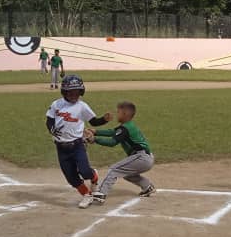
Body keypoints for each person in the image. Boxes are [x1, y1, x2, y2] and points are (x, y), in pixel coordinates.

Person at [46, 74, 109, 208]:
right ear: (64, 92)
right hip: (61, 147)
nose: (74, 95)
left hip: (77, 145)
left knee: (85, 172)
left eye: (77, 92)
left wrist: (104, 119)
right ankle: (87, 195)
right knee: (72, 178)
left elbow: (94, 121)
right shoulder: (57, 104)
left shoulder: (82, 106)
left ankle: (94, 176)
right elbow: (49, 120)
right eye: (71, 92)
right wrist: (51, 129)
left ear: (81, 91)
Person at [85, 100, 156, 206]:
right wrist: (96, 131)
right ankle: (147, 187)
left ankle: (101, 193)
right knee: (127, 174)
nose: (117, 114)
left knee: (114, 169)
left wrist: (94, 139)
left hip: (141, 157)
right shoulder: (127, 126)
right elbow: (113, 132)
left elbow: (112, 142)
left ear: (124, 114)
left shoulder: (125, 128)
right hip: (146, 158)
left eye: (118, 112)